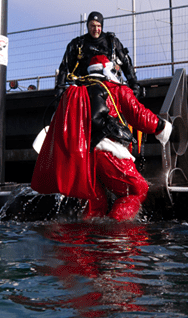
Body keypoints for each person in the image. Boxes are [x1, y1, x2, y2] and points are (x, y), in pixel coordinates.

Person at [32, 54, 172, 221]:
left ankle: (85, 240)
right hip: (107, 150)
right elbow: (138, 115)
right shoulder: (116, 89)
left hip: (81, 156)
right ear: (109, 70)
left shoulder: (77, 91)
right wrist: (161, 126)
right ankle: (116, 238)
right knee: (137, 190)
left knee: (95, 201)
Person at [54, 11, 140, 101]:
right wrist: (60, 88)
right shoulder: (77, 44)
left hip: (111, 87)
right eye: (92, 26)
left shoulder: (112, 42)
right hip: (84, 89)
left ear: (102, 26)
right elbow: (65, 66)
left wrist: (134, 84)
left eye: (98, 26)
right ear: (88, 26)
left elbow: (126, 63)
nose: (96, 29)